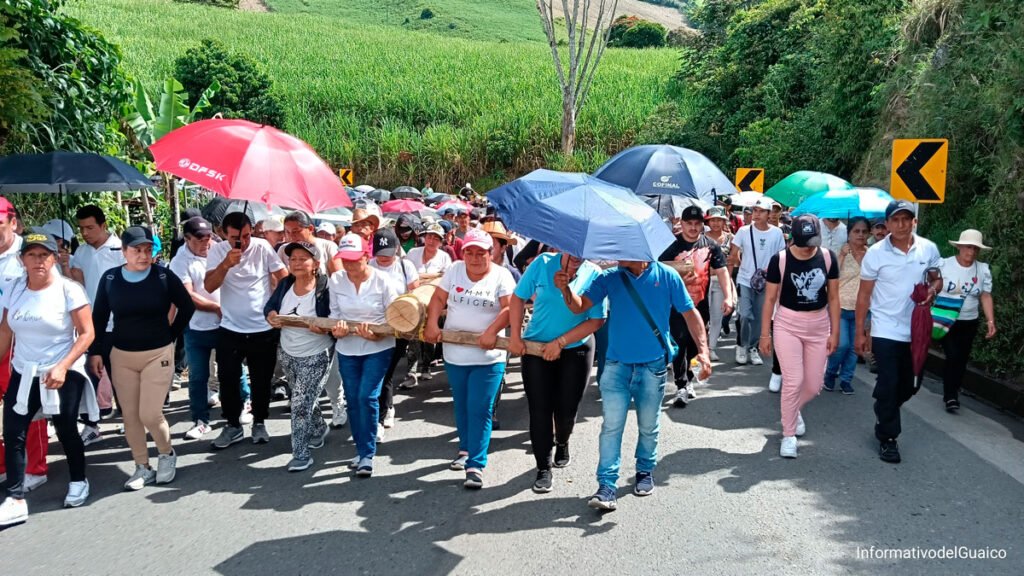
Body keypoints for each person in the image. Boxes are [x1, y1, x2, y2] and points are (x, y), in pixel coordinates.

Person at [557, 254, 711, 511]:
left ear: (640, 250)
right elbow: (579, 306)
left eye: (623, 249)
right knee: (611, 428)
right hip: (616, 366)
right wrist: (565, 289)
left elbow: (690, 313)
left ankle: (644, 470)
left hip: (653, 367)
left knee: (649, 426)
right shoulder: (610, 277)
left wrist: (703, 351)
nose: (617, 255)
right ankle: (606, 485)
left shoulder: (666, 276)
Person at [0, 231, 96, 525]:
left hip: (62, 369)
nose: (38, 260)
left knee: (66, 427)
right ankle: (15, 497)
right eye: (32, 255)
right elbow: (6, 331)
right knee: (14, 431)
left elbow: (87, 333)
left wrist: (63, 366)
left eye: (45, 255)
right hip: (24, 369)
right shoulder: (16, 288)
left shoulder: (69, 289)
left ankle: (79, 480)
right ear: (22, 259)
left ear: (55, 258)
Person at [90, 227, 195, 490]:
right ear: (123, 251)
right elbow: (99, 317)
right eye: (136, 250)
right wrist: (96, 351)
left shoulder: (162, 276)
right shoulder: (110, 278)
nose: (143, 255)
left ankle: (166, 453)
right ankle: (142, 466)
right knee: (131, 417)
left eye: (148, 249)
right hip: (122, 355)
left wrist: (171, 335)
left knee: (150, 413)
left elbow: (187, 305)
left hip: (157, 353)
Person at [423, 229, 515, 490]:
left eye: (481, 253)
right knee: (462, 404)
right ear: (463, 253)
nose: (474, 258)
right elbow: (439, 298)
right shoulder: (454, 270)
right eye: (470, 252)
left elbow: (509, 307)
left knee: (480, 408)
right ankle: (465, 449)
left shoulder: (501, 275)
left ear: (491, 253)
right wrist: (432, 323)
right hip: (455, 353)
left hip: (489, 356)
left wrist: (490, 332)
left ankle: (476, 464)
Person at [509, 252, 606, 493]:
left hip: (576, 347)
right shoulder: (542, 263)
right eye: (572, 251)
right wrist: (515, 337)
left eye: (582, 254)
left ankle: (562, 440)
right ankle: (543, 467)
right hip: (536, 347)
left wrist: (560, 341)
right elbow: (518, 297)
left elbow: (595, 321)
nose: (576, 257)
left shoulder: (594, 273)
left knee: (566, 410)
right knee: (539, 409)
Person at [856, 200, 940, 464]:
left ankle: (884, 403)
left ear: (914, 221)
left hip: (917, 329)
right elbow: (864, 295)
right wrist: (861, 331)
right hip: (885, 328)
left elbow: (937, 277)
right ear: (887, 223)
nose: (901, 225)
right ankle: (888, 438)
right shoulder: (876, 253)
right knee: (891, 382)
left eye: (907, 219)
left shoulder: (928, 249)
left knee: (911, 385)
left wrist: (933, 290)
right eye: (896, 220)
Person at [758, 216, 840, 458]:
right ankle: (789, 435)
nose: (808, 247)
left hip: (818, 324)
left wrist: (835, 332)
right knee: (793, 381)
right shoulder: (780, 260)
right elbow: (770, 299)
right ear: (793, 237)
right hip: (788, 324)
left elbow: (834, 297)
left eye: (812, 241)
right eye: (804, 242)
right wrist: (765, 334)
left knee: (814, 385)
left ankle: (793, 410)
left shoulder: (827, 258)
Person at [205, 212, 288, 449]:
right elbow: (209, 285)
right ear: (223, 233)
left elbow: (283, 277)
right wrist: (226, 264)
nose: (242, 241)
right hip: (230, 327)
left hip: (262, 327)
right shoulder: (218, 251)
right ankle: (232, 425)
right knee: (228, 379)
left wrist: (275, 305)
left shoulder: (262, 247)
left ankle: (260, 422)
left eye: (246, 235)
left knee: (262, 380)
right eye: (235, 237)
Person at [328, 234, 401, 477]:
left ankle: (367, 454)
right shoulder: (336, 280)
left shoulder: (383, 281)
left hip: (378, 348)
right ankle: (360, 450)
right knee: (353, 398)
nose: (349, 265)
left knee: (367, 396)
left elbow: (397, 319)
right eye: (344, 260)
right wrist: (336, 330)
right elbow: (334, 314)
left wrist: (378, 335)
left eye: (354, 259)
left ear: (366, 257)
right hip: (347, 348)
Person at [265, 241, 333, 471]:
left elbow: (337, 320)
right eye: (292, 259)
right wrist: (272, 315)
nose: (296, 263)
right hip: (287, 352)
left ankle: (301, 453)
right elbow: (270, 307)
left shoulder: (325, 288)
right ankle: (319, 427)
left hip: (316, 354)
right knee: (304, 397)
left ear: (315, 263)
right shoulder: (285, 284)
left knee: (300, 403)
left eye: (302, 259)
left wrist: (323, 326)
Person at [660, 205, 734, 407]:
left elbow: (722, 271)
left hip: (700, 304)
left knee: (694, 345)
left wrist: (728, 296)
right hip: (675, 306)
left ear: (702, 225)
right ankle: (682, 385)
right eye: (689, 223)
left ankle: (687, 375)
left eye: (697, 224)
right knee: (679, 344)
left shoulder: (710, 246)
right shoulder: (670, 246)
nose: (693, 228)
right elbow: (657, 271)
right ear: (681, 224)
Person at [70, 204, 126, 446]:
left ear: (104, 225)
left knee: (121, 376)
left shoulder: (121, 250)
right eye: (81, 228)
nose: (85, 233)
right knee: (89, 376)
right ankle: (91, 425)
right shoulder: (80, 252)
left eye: (90, 227)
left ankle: (130, 418)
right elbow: (78, 285)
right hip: (91, 326)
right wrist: (65, 266)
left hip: (120, 324)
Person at [169, 217, 226, 440]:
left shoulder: (220, 249)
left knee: (233, 370)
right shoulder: (179, 261)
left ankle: (242, 407)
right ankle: (201, 420)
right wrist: (216, 308)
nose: (206, 243)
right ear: (187, 239)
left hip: (227, 324)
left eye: (208, 237)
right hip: (196, 327)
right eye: (200, 239)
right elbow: (187, 295)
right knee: (197, 376)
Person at [938, 229, 996, 413]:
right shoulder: (943, 265)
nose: (971, 252)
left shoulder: (983, 270)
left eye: (975, 249)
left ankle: (952, 393)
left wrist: (990, 320)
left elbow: (985, 296)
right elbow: (930, 287)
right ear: (960, 247)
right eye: (968, 247)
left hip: (969, 321)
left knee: (961, 360)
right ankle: (950, 395)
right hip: (945, 319)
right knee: (953, 355)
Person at [369, 228, 419, 431]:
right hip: (375, 324)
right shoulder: (369, 266)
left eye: (387, 255)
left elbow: (416, 293)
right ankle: (385, 407)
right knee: (380, 370)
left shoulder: (405, 266)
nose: (383, 259)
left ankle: (385, 410)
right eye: (380, 255)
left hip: (400, 325)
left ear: (397, 249)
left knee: (387, 370)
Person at [730, 197, 786, 366]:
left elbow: (781, 257)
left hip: (767, 281)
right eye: (755, 210)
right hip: (746, 279)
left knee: (760, 317)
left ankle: (753, 348)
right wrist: (743, 266)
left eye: (761, 211)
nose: (757, 214)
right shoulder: (744, 231)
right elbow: (734, 254)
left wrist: (771, 271)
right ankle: (741, 345)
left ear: (769, 214)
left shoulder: (776, 233)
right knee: (745, 314)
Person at [824, 216, 870, 394]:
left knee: (854, 348)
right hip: (840, 307)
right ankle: (830, 373)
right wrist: (842, 255)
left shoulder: (872, 254)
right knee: (841, 344)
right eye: (856, 231)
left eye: (864, 231)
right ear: (848, 233)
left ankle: (846, 379)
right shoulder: (840, 252)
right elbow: (831, 276)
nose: (860, 235)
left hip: (862, 308)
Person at [704, 206, 734, 359]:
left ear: (724, 221)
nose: (715, 223)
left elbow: (733, 261)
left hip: (721, 282)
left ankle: (712, 347)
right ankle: (699, 347)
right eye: (713, 220)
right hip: (702, 281)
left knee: (717, 316)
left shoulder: (731, 238)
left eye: (719, 220)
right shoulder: (701, 237)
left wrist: (727, 281)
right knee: (702, 315)